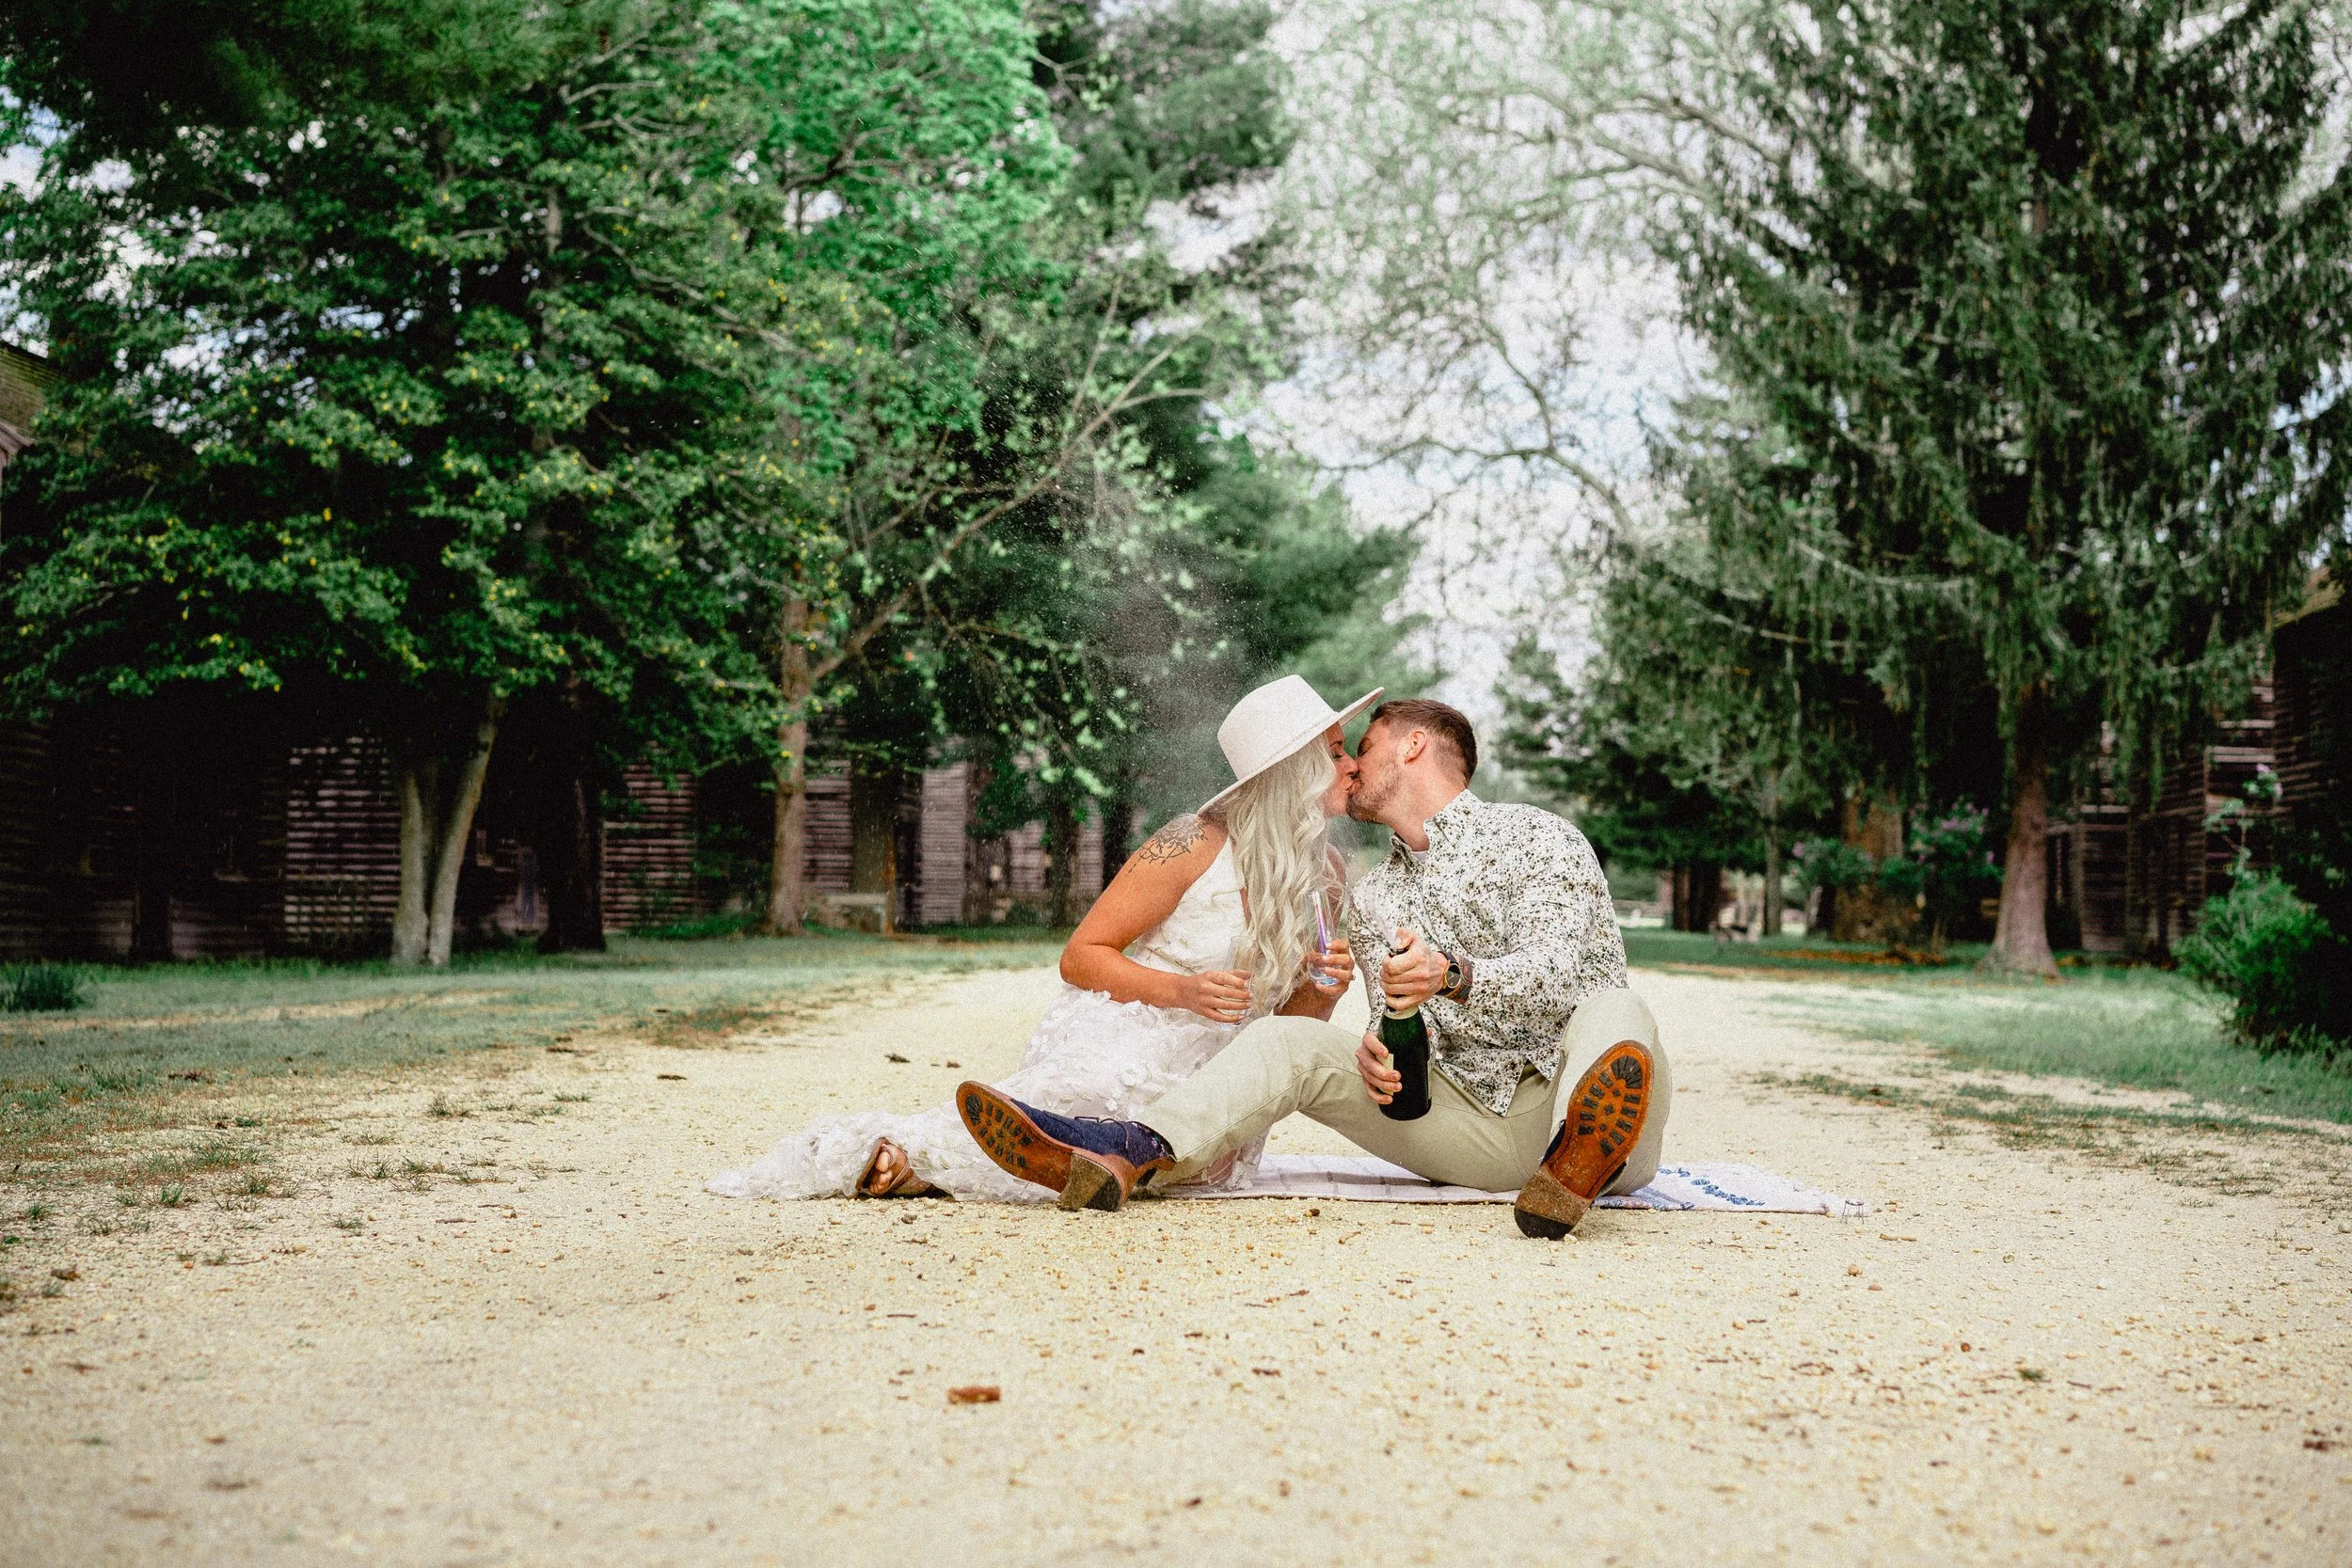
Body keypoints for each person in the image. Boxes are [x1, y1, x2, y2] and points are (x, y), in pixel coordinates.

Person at [954, 698, 1671, 1236]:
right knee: (1286, 1042)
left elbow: (1563, 975)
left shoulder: (1540, 839)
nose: (1353, 763)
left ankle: (1581, 1154)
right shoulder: (1371, 898)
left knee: (1617, 1009)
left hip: (1579, 1103)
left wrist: (1453, 972)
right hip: (1475, 1132)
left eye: (1365, 743)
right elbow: (1395, 1030)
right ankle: (1124, 1151)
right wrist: (1375, 1053)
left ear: (1415, 744)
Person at [707, 675, 1378, 1204]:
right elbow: (1081, 955)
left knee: (1172, 1158)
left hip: (1222, 1071)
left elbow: (1285, 1034)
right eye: (1337, 751)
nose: (1350, 767)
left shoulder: (1326, 875)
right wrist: (1185, 990)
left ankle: (1039, 1166)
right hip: (1138, 1029)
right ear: (1294, 769)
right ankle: (910, 1158)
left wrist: (1322, 993)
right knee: (1088, 1100)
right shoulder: (1191, 841)